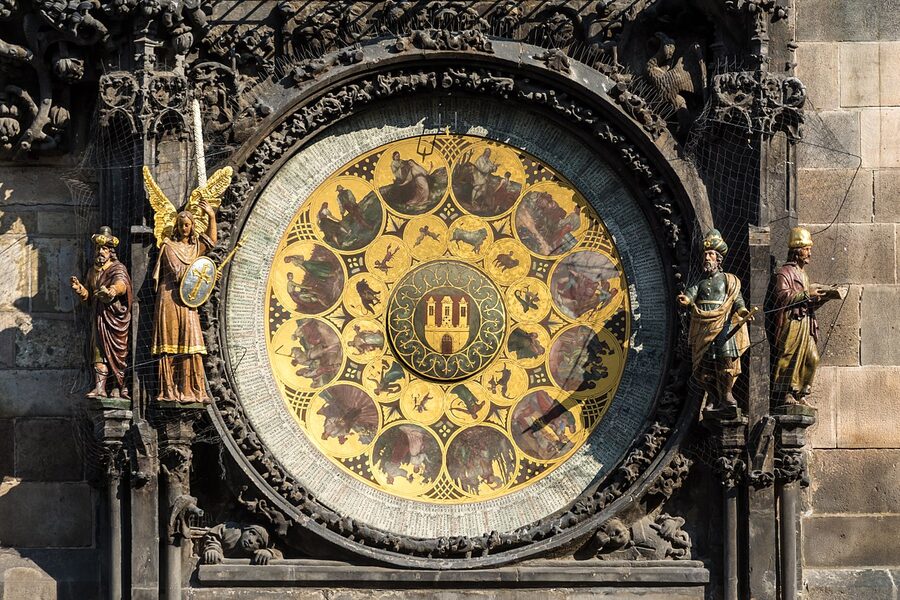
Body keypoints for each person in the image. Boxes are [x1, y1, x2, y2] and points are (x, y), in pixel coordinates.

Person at [677, 230, 751, 410]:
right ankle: (712, 396)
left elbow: (737, 299)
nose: (707, 258)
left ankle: (726, 394)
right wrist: (686, 300)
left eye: (710, 254)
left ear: (719, 259)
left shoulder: (728, 280)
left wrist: (742, 311)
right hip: (703, 326)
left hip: (723, 325)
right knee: (704, 366)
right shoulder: (700, 283)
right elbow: (690, 295)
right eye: (705, 255)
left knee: (725, 359)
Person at [151, 200, 216, 403]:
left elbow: (211, 241)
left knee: (193, 342)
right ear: (176, 227)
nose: (184, 228)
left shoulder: (195, 248)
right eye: (181, 225)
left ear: (192, 226)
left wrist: (212, 216)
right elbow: (179, 273)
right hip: (170, 298)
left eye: (187, 224)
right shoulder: (169, 247)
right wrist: (207, 275)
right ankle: (169, 390)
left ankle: (193, 390)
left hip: (187, 301)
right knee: (170, 344)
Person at [772, 227, 833, 406]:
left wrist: (822, 298)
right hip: (792, 321)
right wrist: (807, 294)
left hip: (806, 320)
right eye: (806, 249)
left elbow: (806, 300)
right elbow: (782, 297)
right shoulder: (784, 272)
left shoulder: (803, 274)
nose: (809, 254)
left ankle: (802, 393)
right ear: (797, 251)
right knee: (790, 355)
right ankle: (786, 392)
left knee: (812, 358)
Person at [70, 226, 133, 399]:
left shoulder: (117, 268)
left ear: (111, 252)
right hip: (98, 316)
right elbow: (89, 296)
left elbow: (122, 284)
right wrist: (80, 290)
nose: (100, 252)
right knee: (98, 351)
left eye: (104, 248)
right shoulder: (92, 271)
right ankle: (100, 388)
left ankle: (118, 386)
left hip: (115, 317)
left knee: (118, 353)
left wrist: (112, 291)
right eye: (98, 248)